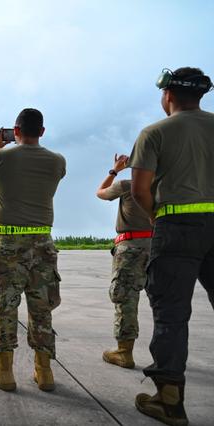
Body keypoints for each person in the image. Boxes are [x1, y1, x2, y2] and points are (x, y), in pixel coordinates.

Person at [129, 67, 214, 426]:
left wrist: (155, 217)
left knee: (172, 315)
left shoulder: (154, 133)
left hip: (176, 226)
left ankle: (169, 401)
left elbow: (139, 190)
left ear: (168, 95)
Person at [0, 108, 65, 392]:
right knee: (42, 309)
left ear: (16, 130)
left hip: (8, 242)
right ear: (42, 131)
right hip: (43, 242)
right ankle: (44, 372)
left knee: (5, 308)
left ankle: (5, 372)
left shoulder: (0, 157)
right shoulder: (58, 161)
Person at [96, 154, 152, 368]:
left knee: (126, 298)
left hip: (131, 248)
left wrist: (114, 170)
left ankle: (124, 352)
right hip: (157, 246)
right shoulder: (163, 187)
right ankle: (166, 353)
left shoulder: (127, 185)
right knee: (163, 301)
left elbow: (100, 193)